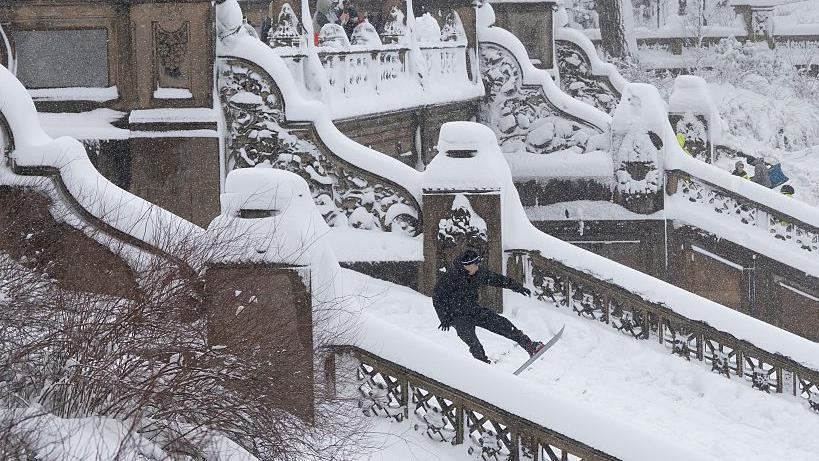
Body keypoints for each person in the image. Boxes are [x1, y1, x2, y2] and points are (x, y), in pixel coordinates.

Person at [432, 250, 545, 364]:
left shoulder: (478, 273)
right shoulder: (450, 277)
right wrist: (444, 317)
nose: (477, 267)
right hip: (458, 317)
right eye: (475, 265)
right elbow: (437, 297)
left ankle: (530, 346)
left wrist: (516, 286)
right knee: (475, 345)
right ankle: (485, 369)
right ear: (466, 265)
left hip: (474, 310)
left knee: (503, 324)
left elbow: (496, 279)